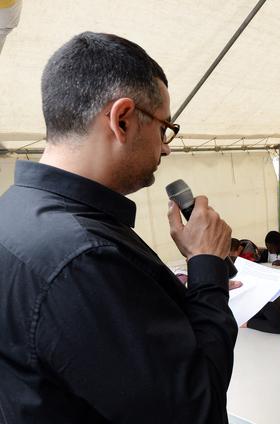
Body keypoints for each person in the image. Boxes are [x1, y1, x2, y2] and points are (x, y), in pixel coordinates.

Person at [0, 33, 237, 423]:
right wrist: (208, 266)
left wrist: (182, 292)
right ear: (122, 119)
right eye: (164, 128)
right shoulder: (82, 256)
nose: (166, 148)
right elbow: (197, 409)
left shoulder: (15, 211)